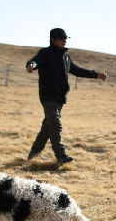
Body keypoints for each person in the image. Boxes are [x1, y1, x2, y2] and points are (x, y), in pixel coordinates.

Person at [26, 28, 108, 164]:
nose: (64, 40)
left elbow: (77, 70)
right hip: (48, 96)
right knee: (55, 125)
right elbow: (35, 61)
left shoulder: (66, 56)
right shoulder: (45, 53)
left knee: (47, 128)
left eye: (65, 38)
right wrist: (31, 65)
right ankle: (61, 156)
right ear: (53, 39)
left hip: (60, 98)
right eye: (61, 38)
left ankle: (33, 155)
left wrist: (96, 75)